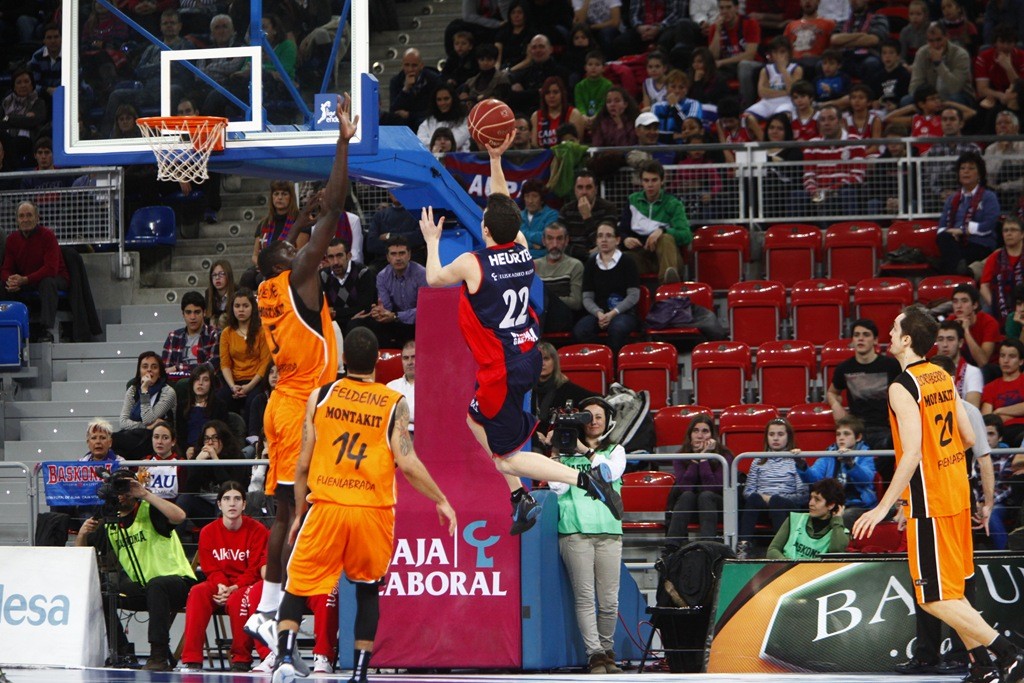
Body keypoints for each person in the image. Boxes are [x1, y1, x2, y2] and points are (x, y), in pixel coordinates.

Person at [418, 133, 624, 537]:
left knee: (506, 460)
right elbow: (503, 206)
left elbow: (433, 277)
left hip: (501, 368)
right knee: (473, 420)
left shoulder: (471, 262)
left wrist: (431, 241)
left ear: (485, 229)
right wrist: (497, 157)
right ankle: (519, 498)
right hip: (527, 353)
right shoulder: (522, 247)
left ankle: (586, 479)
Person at [269, 327, 457, 683]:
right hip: (372, 511)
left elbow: (303, 464)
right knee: (368, 590)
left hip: (327, 506)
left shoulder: (321, 396)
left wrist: (297, 513)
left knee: (298, 586)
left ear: (343, 361)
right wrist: (441, 499)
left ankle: (284, 661)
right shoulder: (393, 403)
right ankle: (359, 673)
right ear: (377, 363)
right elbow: (409, 462)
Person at [853, 307, 1024, 683]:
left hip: (930, 501)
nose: (891, 333)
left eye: (896, 327)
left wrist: (884, 505)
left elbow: (912, 453)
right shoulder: (941, 375)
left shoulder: (903, 385)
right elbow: (966, 437)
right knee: (953, 591)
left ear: (908, 339)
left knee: (933, 596)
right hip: (956, 494)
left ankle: (1009, 654)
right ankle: (981, 664)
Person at [243, 95, 352, 641]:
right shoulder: (299, 276)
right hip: (298, 408)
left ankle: (270, 607)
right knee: (291, 513)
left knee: (290, 507)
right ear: (289, 265)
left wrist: (299, 218)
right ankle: (268, 609)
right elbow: (335, 206)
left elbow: (285, 242)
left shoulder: (268, 284)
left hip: (284, 403)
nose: (302, 247)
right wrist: (342, 142)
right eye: (295, 249)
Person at [76, 471, 196, 671]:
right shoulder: (110, 523)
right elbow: (81, 557)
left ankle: (158, 657)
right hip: (143, 589)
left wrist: (145, 494)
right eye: (118, 488)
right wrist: (81, 534)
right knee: (104, 594)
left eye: (127, 488)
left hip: (178, 583)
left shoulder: (150, 510)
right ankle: (123, 652)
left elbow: (180, 516)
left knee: (156, 585)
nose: (122, 494)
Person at [547, 397, 626, 675]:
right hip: (575, 532)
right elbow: (556, 488)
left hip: (609, 531)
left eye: (599, 417)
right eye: (588, 416)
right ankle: (595, 655)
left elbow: (608, 473)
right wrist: (556, 451)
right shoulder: (566, 454)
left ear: (608, 422)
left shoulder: (616, 451)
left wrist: (583, 450)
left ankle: (608, 651)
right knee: (584, 598)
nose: (593, 421)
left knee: (609, 601)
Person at [178, 481, 268, 671]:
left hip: (246, 584)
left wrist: (234, 587)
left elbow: (255, 569)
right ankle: (191, 658)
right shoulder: (208, 532)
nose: (232, 503)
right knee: (197, 592)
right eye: (226, 499)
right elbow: (210, 568)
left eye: (237, 499)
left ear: (244, 504)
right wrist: (221, 585)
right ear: (219, 504)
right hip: (219, 584)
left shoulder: (258, 530)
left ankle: (241, 658)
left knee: (237, 600)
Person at [826, 318, 902, 481]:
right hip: (858, 430)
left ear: (875, 340)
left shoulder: (891, 365)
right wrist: (835, 405)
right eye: (857, 335)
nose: (860, 338)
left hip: (885, 428)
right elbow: (832, 392)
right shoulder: (844, 368)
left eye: (866, 335)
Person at [736, 417, 808, 558]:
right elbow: (747, 492)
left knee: (776, 501)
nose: (775, 438)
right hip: (761, 505)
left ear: (788, 437)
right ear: (766, 437)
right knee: (754, 498)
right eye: (771, 434)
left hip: (786, 507)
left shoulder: (796, 461)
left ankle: (781, 549)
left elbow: (803, 495)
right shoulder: (757, 461)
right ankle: (743, 546)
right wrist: (766, 499)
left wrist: (774, 498)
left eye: (780, 434)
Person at [0, 201, 69, 342]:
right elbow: (5, 269)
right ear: (17, 220)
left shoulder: (48, 236)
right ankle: (8, 327)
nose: (25, 219)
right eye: (21, 216)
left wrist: (24, 280)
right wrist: (11, 280)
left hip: (55, 278)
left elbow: (51, 269)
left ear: (37, 218)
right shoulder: (12, 240)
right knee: (3, 284)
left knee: (47, 282)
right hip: (27, 279)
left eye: (29, 215)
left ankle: (46, 329)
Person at [665, 414, 734, 549]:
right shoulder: (680, 456)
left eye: (705, 431)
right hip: (688, 509)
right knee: (687, 495)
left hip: (716, 509)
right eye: (696, 431)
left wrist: (704, 459)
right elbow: (685, 487)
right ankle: (671, 547)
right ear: (690, 434)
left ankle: (706, 547)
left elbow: (714, 487)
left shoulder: (725, 456)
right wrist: (696, 460)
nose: (700, 435)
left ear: (712, 435)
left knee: (706, 495)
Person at [573, 221, 642, 356]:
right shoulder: (591, 264)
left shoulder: (628, 262)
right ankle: (598, 363)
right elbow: (587, 297)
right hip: (597, 314)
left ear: (617, 240)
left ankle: (614, 370)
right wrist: (599, 314)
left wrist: (612, 313)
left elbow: (633, 295)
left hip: (623, 313)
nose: (604, 239)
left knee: (617, 328)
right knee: (580, 330)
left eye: (609, 236)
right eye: (600, 236)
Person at [796, 415, 877, 527]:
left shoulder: (865, 454)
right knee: (808, 515)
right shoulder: (829, 454)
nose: (841, 438)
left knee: (844, 516)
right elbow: (813, 479)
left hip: (858, 505)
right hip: (831, 503)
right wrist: (802, 465)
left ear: (858, 437)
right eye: (838, 434)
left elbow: (866, 480)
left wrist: (850, 464)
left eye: (846, 434)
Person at [618, 159, 689, 284]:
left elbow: (686, 235)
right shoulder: (632, 201)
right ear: (641, 182)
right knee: (619, 258)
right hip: (641, 256)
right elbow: (622, 230)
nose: (650, 185)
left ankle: (668, 290)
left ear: (662, 181)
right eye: (646, 180)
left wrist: (662, 231)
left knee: (666, 239)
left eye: (654, 180)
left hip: (667, 257)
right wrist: (625, 239)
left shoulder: (673, 203)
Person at [178, 419, 252, 529]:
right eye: (206, 438)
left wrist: (215, 460)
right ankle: (176, 543)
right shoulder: (200, 456)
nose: (210, 442)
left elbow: (231, 488)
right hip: (205, 508)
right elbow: (189, 489)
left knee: (224, 501)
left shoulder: (236, 456)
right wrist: (197, 464)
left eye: (215, 438)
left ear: (224, 439)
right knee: (184, 499)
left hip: (229, 506)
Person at [218, 288, 271, 425]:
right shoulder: (227, 333)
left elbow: (265, 362)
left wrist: (249, 386)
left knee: (254, 400)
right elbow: (225, 364)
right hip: (233, 381)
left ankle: (252, 439)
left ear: (253, 308)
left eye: (245, 306)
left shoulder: (261, 332)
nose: (241, 310)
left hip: (255, 381)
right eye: (237, 306)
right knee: (220, 399)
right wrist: (232, 386)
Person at [531, 341, 596, 449]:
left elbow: (596, 400)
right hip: (533, 445)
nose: (542, 363)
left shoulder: (568, 389)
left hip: (561, 446)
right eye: (538, 359)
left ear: (555, 362)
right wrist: (533, 435)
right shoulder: (526, 391)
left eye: (546, 359)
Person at [113, 351, 178, 460]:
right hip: (135, 435)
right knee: (111, 442)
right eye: (145, 366)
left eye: (154, 367)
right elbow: (123, 422)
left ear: (160, 372)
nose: (149, 370)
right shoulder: (133, 389)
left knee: (114, 440)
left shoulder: (168, 392)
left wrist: (144, 390)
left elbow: (148, 419)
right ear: (139, 372)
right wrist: (144, 426)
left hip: (157, 438)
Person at [766, 478, 849, 559]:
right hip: (788, 571)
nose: (810, 503)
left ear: (831, 505)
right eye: (811, 498)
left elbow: (837, 551)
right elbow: (772, 550)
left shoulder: (841, 532)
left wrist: (837, 520)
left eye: (817, 500)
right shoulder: (794, 519)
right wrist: (789, 565)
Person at [371, 236, 428, 348]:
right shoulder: (382, 277)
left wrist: (397, 316)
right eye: (393, 254)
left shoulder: (422, 274)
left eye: (402, 253)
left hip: (419, 321)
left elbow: (426, 309)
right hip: (396, 321)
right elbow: (387, 308)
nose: (398, 258)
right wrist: (379, 312)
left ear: (409, 255)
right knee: (375, 325)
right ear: (387, 257)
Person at [907, 21, 975, 106]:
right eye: (931, 41)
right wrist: (928, 100)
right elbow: (914, 86)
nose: (936, 45)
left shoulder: (961, 55)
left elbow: (955, 88)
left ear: (947, 36)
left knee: (954, 99)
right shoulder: (922, 53)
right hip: (930, 96)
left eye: (939, 39)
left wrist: (938, 64)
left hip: (961, 94)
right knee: (907, 101)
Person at [557, 170, 620, 261]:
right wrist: (585, 253)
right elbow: (560, 243)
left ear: (596, 190)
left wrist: (587, 217)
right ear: (575, 190)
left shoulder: (608, 208)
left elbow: (605, 242)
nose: (584, 192)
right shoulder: (566, 210)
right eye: (580, 187)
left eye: (588, 187)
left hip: (601, 257)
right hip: (573, 259)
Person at [534, 222, 585, 333]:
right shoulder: (535, 265)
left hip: (563, 317)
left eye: (559, 239)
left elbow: (576, 303)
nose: (555, 244)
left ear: (566, 241)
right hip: (541, 317)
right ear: (544, 241)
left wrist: (550, 300)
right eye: (550, 239)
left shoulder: (575, 265)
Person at [321, 238, 376, 334]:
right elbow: (324, 310)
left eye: (339, 256)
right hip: (335, 324)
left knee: (355, 324)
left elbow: (365, 308)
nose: (335, 262)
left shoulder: (363, 273)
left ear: (349, 256)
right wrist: (349, 314)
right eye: (331, 257)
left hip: (360, 323)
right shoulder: (323, 276)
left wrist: (336, 312)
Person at [161, 291, 221, 376]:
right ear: (183, 314)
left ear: (204, 313)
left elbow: (212, 367)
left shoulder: (214, 335)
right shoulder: (173, 337)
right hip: (177, 384)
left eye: (197, 312)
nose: (192, 317)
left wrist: (178, 368)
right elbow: (166, 370)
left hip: (206, 384)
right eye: (188, 312)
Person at [980, 216, 1024, 329]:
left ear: (1022, 234)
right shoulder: (995, 257)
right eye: (1006, 230)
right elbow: (984, 285)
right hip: (998, 304)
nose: (1009, 233)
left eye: (1013, 230)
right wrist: (995, 304)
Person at [177, 364, 230, 455]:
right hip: (189, 452)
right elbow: (180, 435)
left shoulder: (220, 406)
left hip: (212, 450)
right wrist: (186, 449)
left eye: (205, 380)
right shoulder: (182, 406)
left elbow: (221, 435)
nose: (200, 383)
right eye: (197, 379)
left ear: (211, 384)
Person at [386, 48, 441, 131]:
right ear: (402, 65)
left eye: (414, 65)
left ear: (421, 65)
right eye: (407, 65)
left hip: (426, 122)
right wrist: (405, 89)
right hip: (405, 124)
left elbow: (435, 109)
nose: (410, 69)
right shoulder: (396, 81)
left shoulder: (433, 79)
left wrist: (410, 115)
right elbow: (393, 110)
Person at [982, 338, 1024, 445]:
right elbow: (988, 420)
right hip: (1000, 435)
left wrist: (998, 411)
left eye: (1012, 356)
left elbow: (994, 415)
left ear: (1021, 361)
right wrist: (1017, 413)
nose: (1006, 360)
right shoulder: (990, 387)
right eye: (1002, 356)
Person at [951, 283, 1001, 368]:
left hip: (990, 369)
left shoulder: (989, 323)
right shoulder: (951, 322)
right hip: (963, 367)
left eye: (964, 301)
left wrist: (966, 331)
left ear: (975, 305)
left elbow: (983, 362)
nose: (959, 306)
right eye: (955, 301)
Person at [935, 319, 984, 408]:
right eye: (940, 339)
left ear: (960, 343)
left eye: (950, 339)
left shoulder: (972, 372)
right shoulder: (928, 371)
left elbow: (973, 409)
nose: (945, 344)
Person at [416, 84, 470, 152]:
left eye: (446, 99)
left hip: (459, 161)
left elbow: (454, 143)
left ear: (453, 99)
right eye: (439, 100)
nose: (442, 103)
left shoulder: (464, 121)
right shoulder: (429, 121)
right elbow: (419, 142)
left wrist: (432, 143)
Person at [141, 420, 184, 502]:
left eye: (165, 438)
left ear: (173, 441)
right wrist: (140, 479)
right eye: (156, 437)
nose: (159, 442)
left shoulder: (181, 463)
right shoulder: (144, 462)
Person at [386, 340, 416, 433]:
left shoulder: (431, 388)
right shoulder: (391, 387)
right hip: (394, 434)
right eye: (406, 358)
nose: (410, 362)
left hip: (422, 437)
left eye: (414, 357)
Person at [205, 260, 236, 327]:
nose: (217, 278)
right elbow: (207, 318)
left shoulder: (237, 291)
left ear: (228, 275)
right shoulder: (208, 293)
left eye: (221, 274)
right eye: (214, 275)